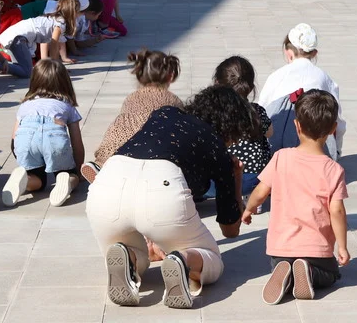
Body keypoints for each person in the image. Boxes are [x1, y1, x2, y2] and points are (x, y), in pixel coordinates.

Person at [86, 86, 253, 309]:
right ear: (231, 129)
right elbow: (230, 230)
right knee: (213, 260)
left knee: (138, 253)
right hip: (161, 188)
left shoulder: (164, 112)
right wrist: (236, 176)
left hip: (107, 182)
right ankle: (183, 260)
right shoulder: (217, 146)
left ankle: (129, 256)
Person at [244, 90, 350, 304]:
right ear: (333, 129)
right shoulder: (333, 169)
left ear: (297, 125)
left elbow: (261, 191)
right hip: (316, 250)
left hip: (281, 249)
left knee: (282, 264)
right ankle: (309, 272)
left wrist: (248, 209)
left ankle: (286, 272)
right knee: (332, 274)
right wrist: (342, 246)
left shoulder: (281, 157)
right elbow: (337, 211)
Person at [80, 49, 182, 183]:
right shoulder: (173, 100)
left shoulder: (131, 98)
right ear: (170, 76)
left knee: (120, 129)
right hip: (152, 147)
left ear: (139, 75)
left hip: (122, 143)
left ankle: (101, 166)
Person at [2, 59, 84, 208]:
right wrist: (78, 170)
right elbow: (77, 142)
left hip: (26, 140)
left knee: (38, 180)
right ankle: (67, 179)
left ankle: (25, 179)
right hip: (54, 138)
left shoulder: (25, 105)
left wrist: (24, 161)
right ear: (64, 82)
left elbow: (14, 140)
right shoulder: (67, 104)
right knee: (70, 174)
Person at [259, 24, 346, 158]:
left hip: (277, 151)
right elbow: (338, 120)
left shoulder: (276, 76)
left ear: (288, 52)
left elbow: (262, 109)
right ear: (314, 53)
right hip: (317, 151)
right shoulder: (324, 78)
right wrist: (337, 150)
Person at [212, 55, 271, 193]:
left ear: (217, 83)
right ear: (250, 87)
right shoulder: (256, 111)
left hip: (217, 181)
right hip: (254, 179)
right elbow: (270, 133)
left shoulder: (212, 112)